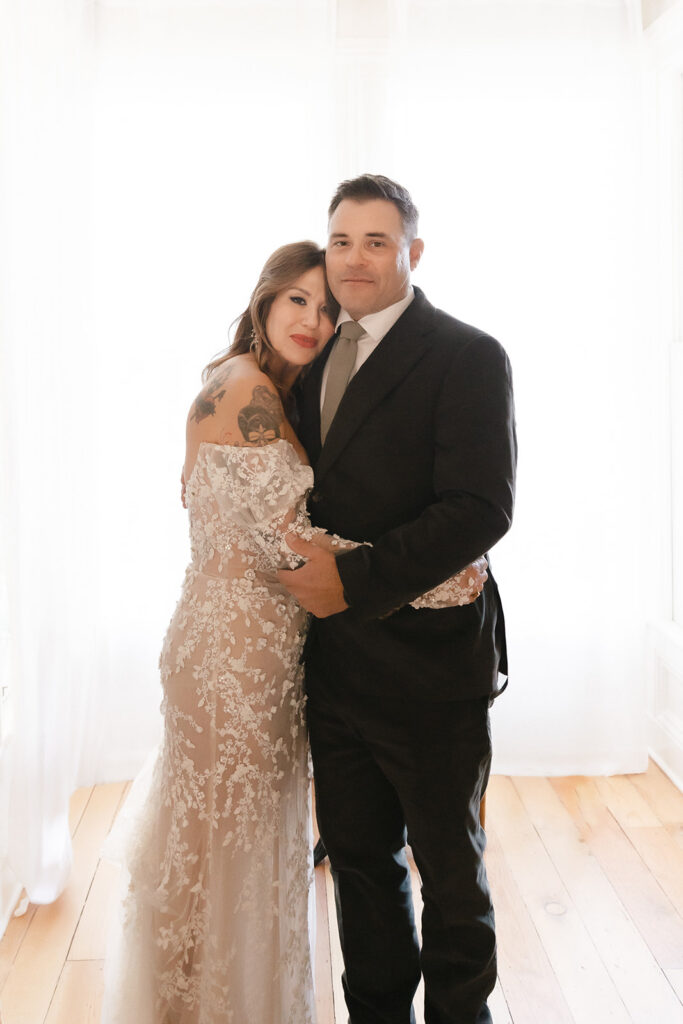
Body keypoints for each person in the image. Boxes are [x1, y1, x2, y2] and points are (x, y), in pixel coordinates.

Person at [101, 240, 488, 1024]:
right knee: (229, 848)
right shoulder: (246, 393)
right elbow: (290, 544)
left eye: (325, 307)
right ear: (264, 302)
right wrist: (444, 572)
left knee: (222, 845)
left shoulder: (258, 388)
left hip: (251, 646)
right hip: (234, 654)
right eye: (296, 301)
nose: (312, 320)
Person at [279, 175, 517, 1024]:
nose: (354, 259)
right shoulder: (309, 357)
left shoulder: (466, 354)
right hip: (336, 668)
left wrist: (351, 580)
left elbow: (480, 508)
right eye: (340, 241)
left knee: (448, 866)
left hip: (430, 669)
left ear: (412, 253)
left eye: (376, 242)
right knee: (358, 862)